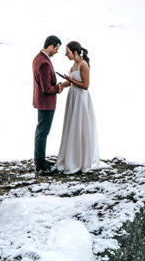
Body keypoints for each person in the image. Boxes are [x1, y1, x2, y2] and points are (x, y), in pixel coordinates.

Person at [55, 40, 100, 174]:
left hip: (81, 98)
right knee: (71, 126)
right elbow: (71, 82)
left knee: (79, 126)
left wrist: (71, 80)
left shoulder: (83, 65)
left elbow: (85, 86)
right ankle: (71, 157)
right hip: (73, 97)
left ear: (75, 52)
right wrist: (62, 84)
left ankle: (81, 160)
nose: (65, 55)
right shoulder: (74, 64)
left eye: (67, 52)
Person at [32, 34, 64, 173]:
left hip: (40, 101)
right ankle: (40, 164)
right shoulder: (44, 62)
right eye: (56, 49)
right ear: (51, 46)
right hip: (46, 103)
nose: (56, 52)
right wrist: (58, 88)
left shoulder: (38, 58)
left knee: (41, 132)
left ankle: (40, 160)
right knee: (42, 133)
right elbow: (46, 88)